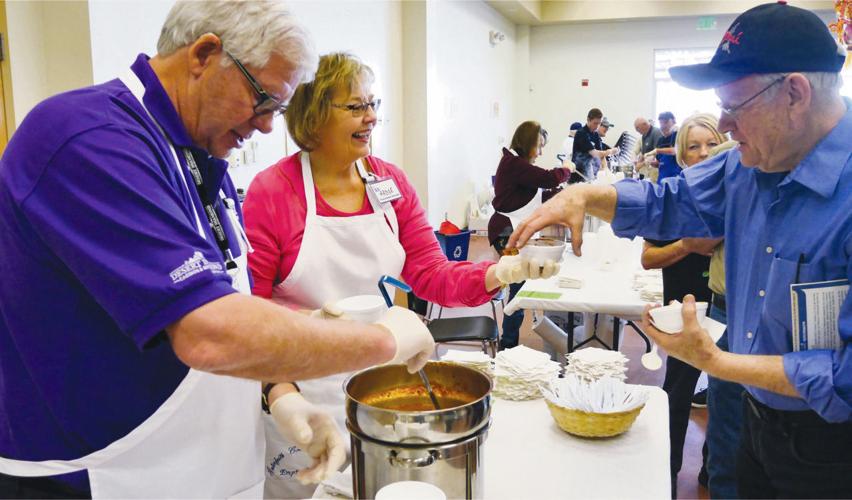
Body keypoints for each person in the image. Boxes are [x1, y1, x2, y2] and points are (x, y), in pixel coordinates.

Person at [0, 3, 438, 498]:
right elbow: (207, 333)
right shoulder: (87, 139)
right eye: (264, 101)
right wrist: (382, 343)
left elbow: (233, 297)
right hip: (99, 473)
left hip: (204, 464)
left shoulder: (203, 159)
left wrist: (278, 390)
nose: (271, 127)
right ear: (205, 54)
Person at [509, 3, 852, 497]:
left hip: (831, 449)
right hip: (757, 420)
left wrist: (718, 362)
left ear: (795, 93)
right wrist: (585, 195)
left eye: (735, 107)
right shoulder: (746, 165)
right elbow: (668, 201)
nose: (726, 126)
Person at [242, 53, 558, 498]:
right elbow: (250, 313)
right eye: (355, 107)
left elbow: (430, 273)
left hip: (380, 385)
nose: (371, 117)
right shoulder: (273, 192)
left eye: (374, 104)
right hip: (305, 395)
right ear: (312, 115)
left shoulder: (387, 183)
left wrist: (500, 272)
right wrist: (280, 394)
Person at [640, 113, 724, 497]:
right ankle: (667, 471)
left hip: (730, 310)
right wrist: (688, 245)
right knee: (678, 392)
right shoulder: (671, 197)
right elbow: (647, 258)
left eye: (711, 143)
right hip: (684, 310)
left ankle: (712, 470)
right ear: (683, 155)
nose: (704, 153)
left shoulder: (737, 195)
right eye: (695, 146)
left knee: (725, 396)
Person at [488, 121, 572, 350]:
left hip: (512, 229)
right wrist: (567, 168)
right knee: (518, 278)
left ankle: (509, 340)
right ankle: (508, 344)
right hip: (504, 232)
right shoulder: (513, 163)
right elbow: (549, 178)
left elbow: (531, 194)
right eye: (539, 146)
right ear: (527, 143)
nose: (541, 152)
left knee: (520, 279)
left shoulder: (517, 164)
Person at [572, 108, 619, 180]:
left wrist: (605, 170)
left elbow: (601, 156)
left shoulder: (595, 135)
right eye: (595, 123)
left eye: (599, 123)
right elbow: (595, 153)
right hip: (578, 173)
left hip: (589, 172)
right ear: (588, 120)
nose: (597, 126)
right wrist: (610, 151)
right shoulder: (581, 133)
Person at [651, 111, 679, 183]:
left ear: (674, 121)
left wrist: (657, 150)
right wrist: (651, 163)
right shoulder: (660, 140)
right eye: (661, 123)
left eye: (666, 122)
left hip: (675, 181)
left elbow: (675, 151)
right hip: (661, 181)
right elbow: (659, 163)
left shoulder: (678, 136)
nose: (663, 125)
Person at [633, 116, 663, 180]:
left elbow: (656, 153)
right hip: (648, 169)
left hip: (656, 169)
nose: (637, 131)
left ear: (645, 124)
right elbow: (643, 153)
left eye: (637, 128)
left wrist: (641, 164)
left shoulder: (656, 132)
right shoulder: (644, 135)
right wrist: (637, 161)